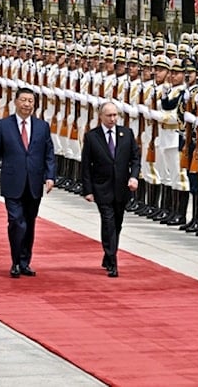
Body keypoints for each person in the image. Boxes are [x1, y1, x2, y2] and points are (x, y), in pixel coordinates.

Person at [0, 87, 56, 278]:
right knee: (17, 222)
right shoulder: (3, 125)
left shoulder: (42, 126)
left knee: (29, 223)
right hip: (12, 181)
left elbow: (49, 154)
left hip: (34, 182)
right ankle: (15, 260)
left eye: (31, 101)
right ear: (16, 102)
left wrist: (50, 176)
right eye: (24, 100)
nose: (27, 104)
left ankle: (25, 262)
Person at [81, 102, 141, 277]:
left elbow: (135, 159)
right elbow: (86, 165)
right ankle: (113, 260)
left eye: (115, 115)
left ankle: (108, 255)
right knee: (108, 222)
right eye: (109, 115)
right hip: (102, 188)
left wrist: (134, 176)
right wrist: (88, 190)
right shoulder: (92, 137)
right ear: (101, 116)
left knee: (117, 224)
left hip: (122, 187)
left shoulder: (126, 134)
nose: (113, 119)